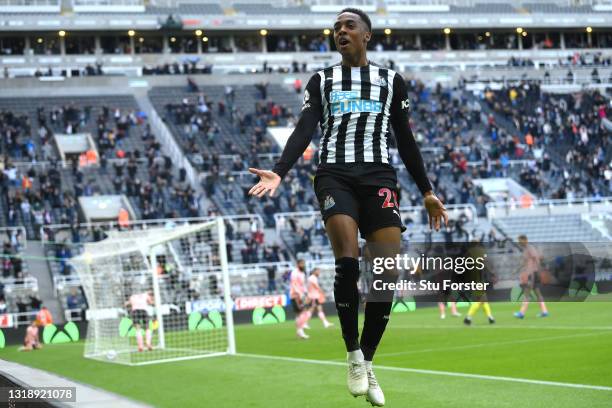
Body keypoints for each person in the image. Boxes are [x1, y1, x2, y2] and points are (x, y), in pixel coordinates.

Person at [248, 8, 447, 406]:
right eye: (336, 27)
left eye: (348, 25)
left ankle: (368, 361)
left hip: (379, 178)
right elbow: (306, 128)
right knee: (348, 261)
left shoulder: (392, 82)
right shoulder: (322, 80)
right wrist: (280, 171)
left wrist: (426, 190)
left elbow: (405, 139)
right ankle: (352, 353)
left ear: (366, 35)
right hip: (334, 174)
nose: (340, 31)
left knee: (386, 274)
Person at [514, 235, 549, 319]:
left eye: (520, 240)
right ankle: (544, 311)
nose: (519, 242)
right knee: (537, 293)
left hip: (532, 274)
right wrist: (517, 270)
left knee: (526, 292)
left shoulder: (530, 248)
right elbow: (524, 262)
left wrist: (538, 270)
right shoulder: (526, 249)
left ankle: (521, 313)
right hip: (531, 273)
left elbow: (536, 258)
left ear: (524, 240)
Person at [289, 259, 311, 339]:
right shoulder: (294, 272)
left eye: (304, 263)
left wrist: (306, 293)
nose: (303, 265)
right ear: (298, 264)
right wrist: (300, 294)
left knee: (301, 313)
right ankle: (300, 331)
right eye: (302, 263)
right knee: (302, 312)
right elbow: (294, 284)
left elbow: (303, 285)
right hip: (295, 295)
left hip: (301, 295)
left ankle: (299, 331)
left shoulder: (302, 273)